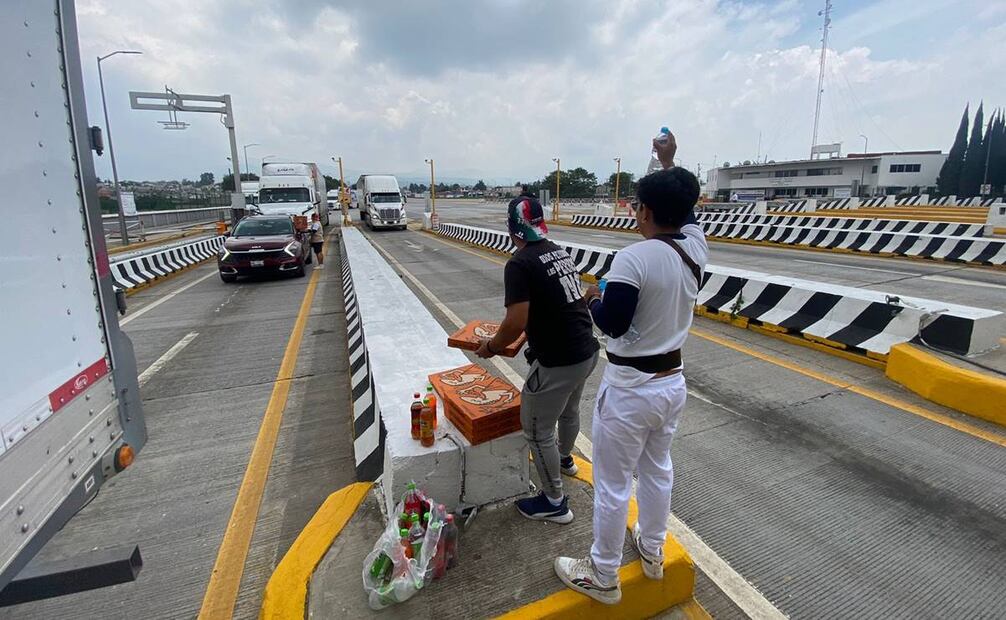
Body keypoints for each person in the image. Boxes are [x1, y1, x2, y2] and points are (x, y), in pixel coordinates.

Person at [554, 132, 708, 604]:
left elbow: (614, 324)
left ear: (644, 212)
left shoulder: (632, 259)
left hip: (629, 390)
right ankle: (653, 549)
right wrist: (669, 162)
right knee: (658, 469)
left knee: (613, 484)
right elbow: (685, 208)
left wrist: (593, 298)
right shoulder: (695, 246)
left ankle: (603, 573)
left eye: (638, 206)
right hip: (671, 384)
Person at [476, 193, 599, 524]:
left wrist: (491, 347)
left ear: (511, 229)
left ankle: (554, 501)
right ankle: (564, 459)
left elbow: (515, 321)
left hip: (559, 360)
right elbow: (555, 302)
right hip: (586, 351)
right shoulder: (558, 251)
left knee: (536, 429)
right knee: (569, 411)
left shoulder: (520, 263)